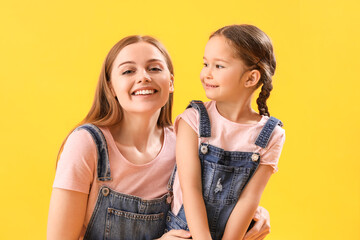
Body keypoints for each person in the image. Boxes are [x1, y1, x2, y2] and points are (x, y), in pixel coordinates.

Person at [47, 34, 272, 240]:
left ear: (171, 82)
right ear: (110, 87)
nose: (143, 77)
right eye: (128, 71)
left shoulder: (185, 142)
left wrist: (256, 215)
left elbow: (211, 200)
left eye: (154, 69)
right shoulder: (87, 144)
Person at [166, 24, 285, 240]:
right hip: (185, 233)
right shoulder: (192, 119)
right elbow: (190, 189)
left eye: (219, 66)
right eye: (205, 64)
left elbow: (249, 199)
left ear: (251, 78)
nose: (206, 74)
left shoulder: (272, 135)